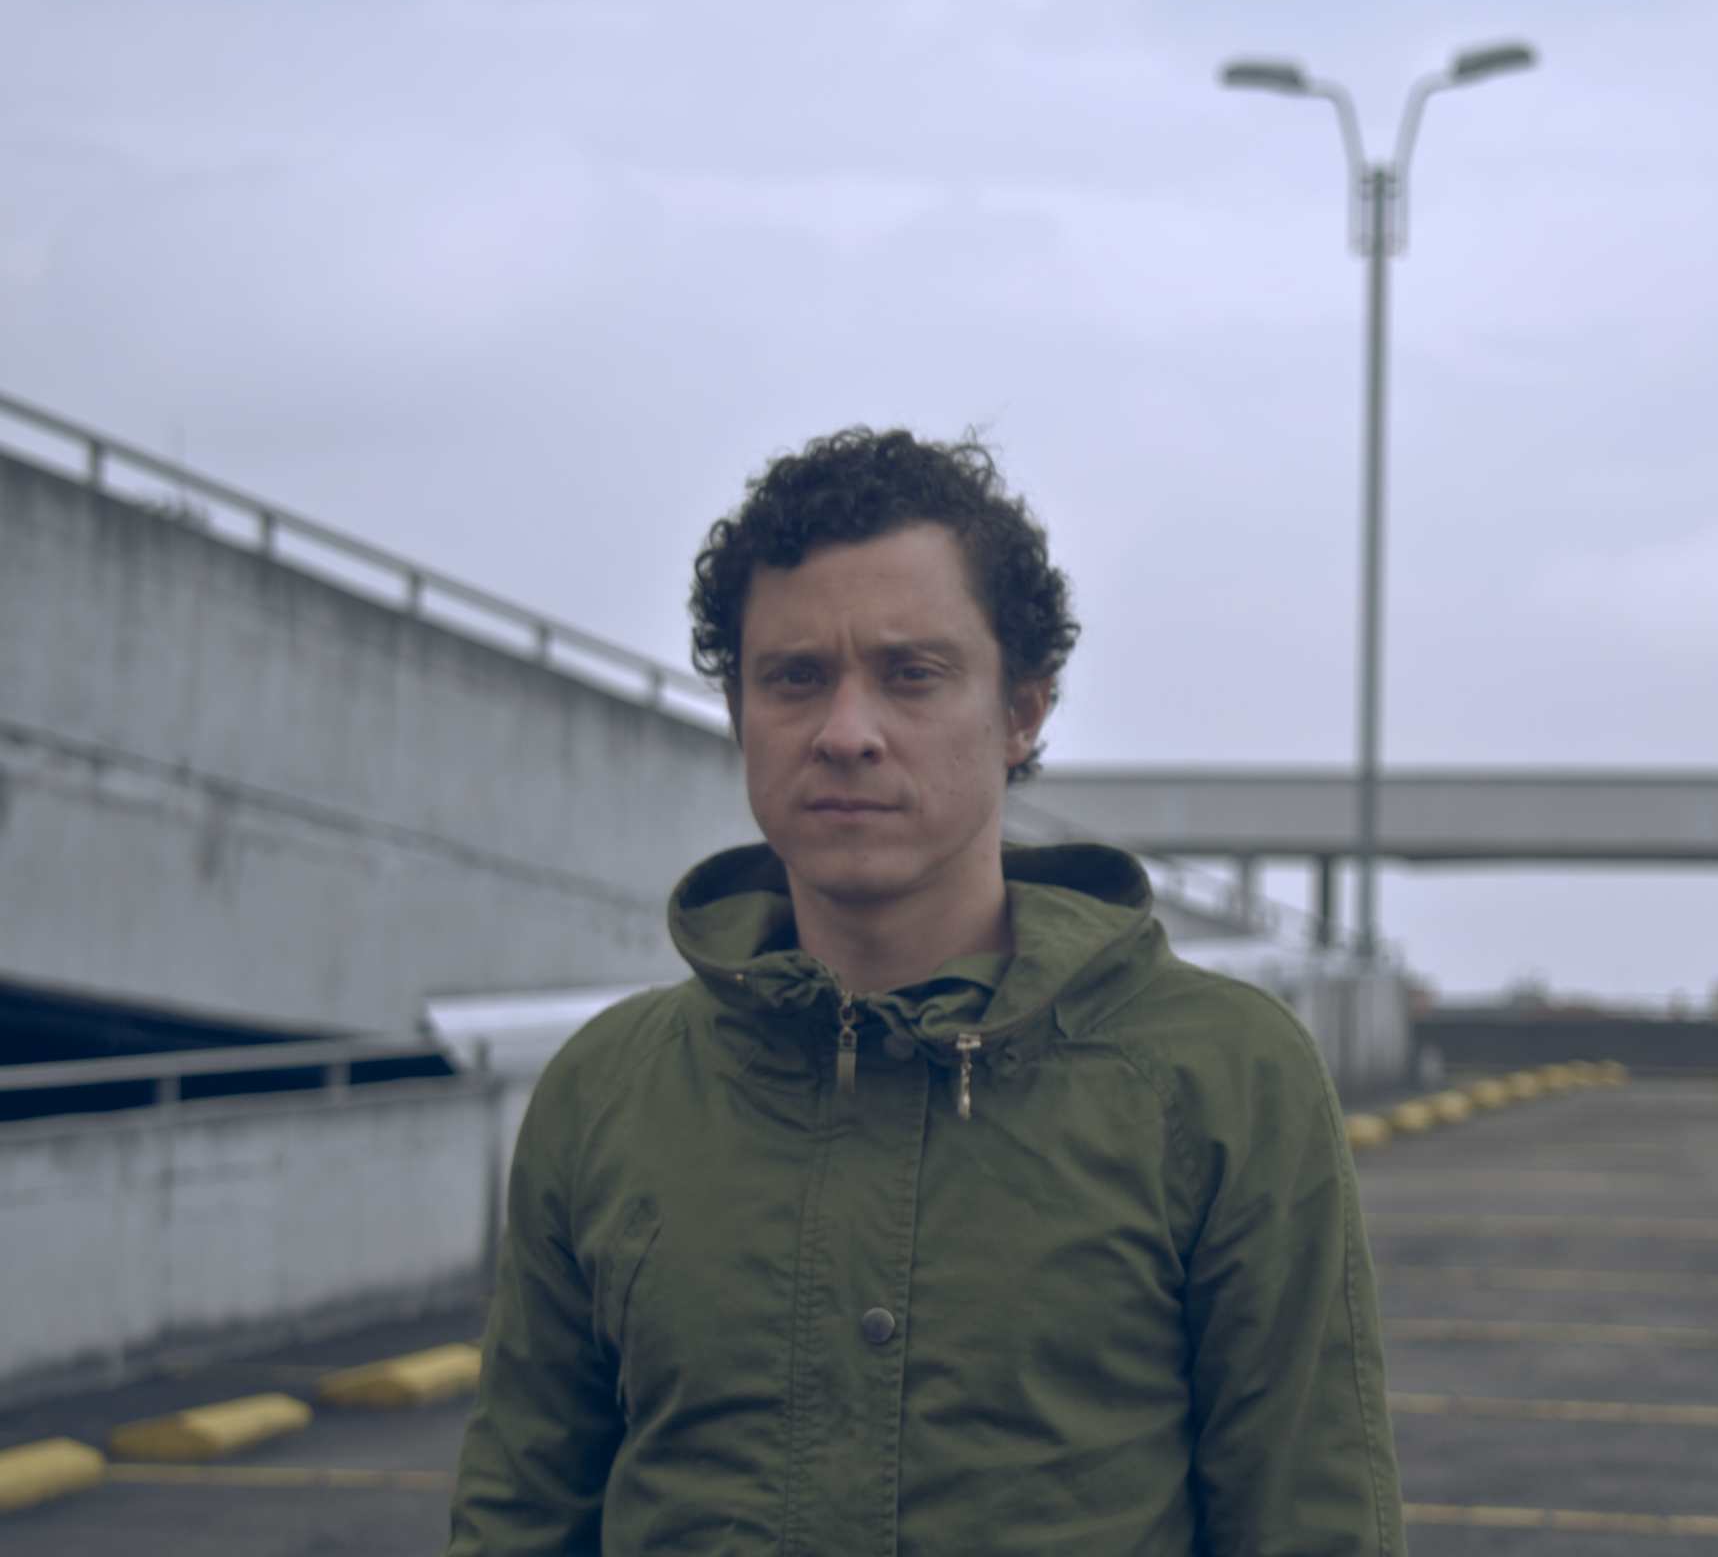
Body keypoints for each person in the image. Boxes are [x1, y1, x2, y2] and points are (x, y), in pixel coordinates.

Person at [445, 429, 1405, 1555]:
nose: (846, 734)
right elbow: (517, 1519)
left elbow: (1312, 1519)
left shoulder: (1223, 1080)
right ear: (740, 714)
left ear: (1022, 713)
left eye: (912, 675)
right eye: (795, 678)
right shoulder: (606, 1092)